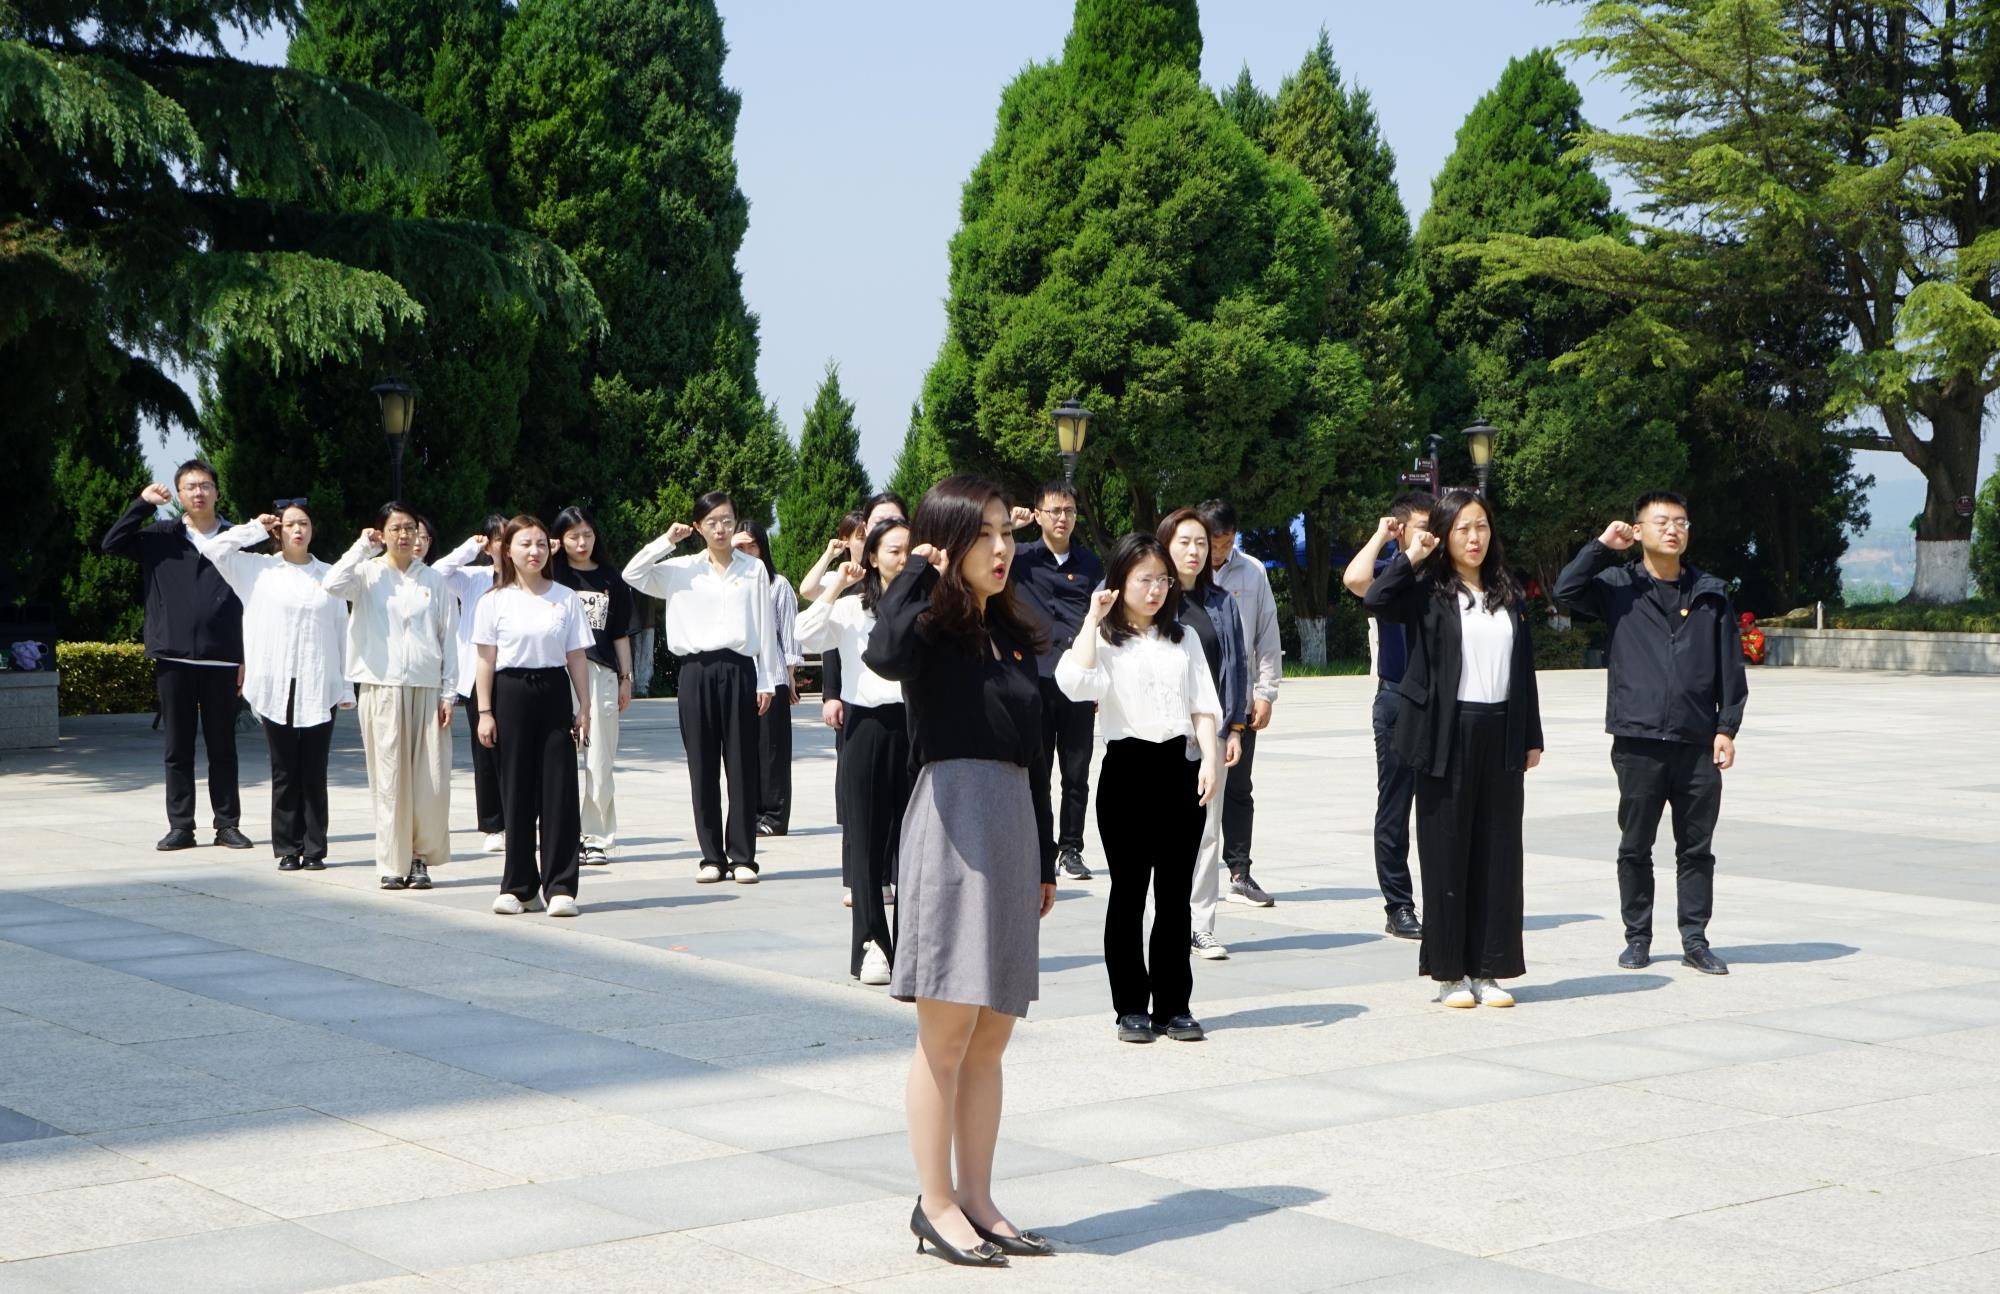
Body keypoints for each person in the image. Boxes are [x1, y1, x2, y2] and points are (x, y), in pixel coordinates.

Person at [864, 475, 1055, 1268]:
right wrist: (916, 568)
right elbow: (882, 653)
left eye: (1009, 532)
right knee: (945, 1036)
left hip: (1011, 824)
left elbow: (1036, 751)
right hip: (950, 822)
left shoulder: (1012, 629)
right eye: (985, 534)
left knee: (991, 1036)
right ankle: (934, 1203)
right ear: (950, 542)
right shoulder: (929, 627)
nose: (1004, 548)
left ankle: (977, 1197)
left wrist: (1044, 850)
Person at [1554, 491, 1748, 977]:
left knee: (1696, 848)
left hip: (1697, 741)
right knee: (1635, 845)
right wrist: (1602, 545)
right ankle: (1637, 938)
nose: (1673, 529)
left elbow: (1730, 664)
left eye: (1681, 521)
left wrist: (1727, 727)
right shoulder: (1618, 587)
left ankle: (1695, 939)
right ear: (1638, 531)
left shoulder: (1711, 592)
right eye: (1661, 521)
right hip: (1638, 739)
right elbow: (1564, 590)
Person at [1364, 489, 1543, 1008]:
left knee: (1499, 852)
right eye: (1463, 528)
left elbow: (1523, 672)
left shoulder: (1508, 592)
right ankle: (1448, 974)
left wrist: (1531, 735)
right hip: (1445, 731)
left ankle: (1489, 970)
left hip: (1501, 730)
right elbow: (1375, 599)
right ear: (1445, 534)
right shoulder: (1427, 589)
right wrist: (1412, 555)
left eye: (1482, 526)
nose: (1474, 537)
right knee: (1446, 851)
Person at [1057, 534, 1221, 1043]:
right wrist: (1091, 618)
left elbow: (1204, 704)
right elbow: (1073, 683)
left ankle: (1174, 1005)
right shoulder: (1104, 640)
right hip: (1127, 772)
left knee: (1175, 896)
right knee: (1128, 893)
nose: (1155, 590)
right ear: (1120, 582)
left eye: (1162, 580)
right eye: (1144, 579)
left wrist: (1211, 760)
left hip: (1180, 768)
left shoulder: (1183, 637)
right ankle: (1131, 1005)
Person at [623, 493, 782, 883]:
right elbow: (632, 574)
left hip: (741, 668)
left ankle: (743, 857)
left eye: (727, 520)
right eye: (711, 522)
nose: (721, 529)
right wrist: (666, 541)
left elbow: (765, 626)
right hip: (695, 672)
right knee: (703, 767)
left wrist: (768, 679)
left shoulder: (754, 569)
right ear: (698, 527)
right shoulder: (681, 569)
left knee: (743, 765)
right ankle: (712, 857)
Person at [186, 502, 352, 872]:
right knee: (284, 770)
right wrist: (255, 528)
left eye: (304, 523)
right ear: (278, 531)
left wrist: (346, 687)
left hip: (318, 682)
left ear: (313, 529)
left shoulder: (329, 576)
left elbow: (344, 631)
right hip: (275, 684)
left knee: (314, 769)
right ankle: (287, 848)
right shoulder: (257, 569)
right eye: (290, 524)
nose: (298, 530)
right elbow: (214, 550)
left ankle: (314, 849)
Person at [102, 461, 251, 851]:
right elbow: (112, 543)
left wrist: (247, 655)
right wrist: (142, 504)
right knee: (177, 747)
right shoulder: (161, 537)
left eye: (205, 485)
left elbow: (258, 599)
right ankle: (181, 826)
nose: (198, 492)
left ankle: (228, 824)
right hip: (174, 658)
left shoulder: (239, 538)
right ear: (179, 495)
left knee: (223, 747)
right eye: (189, 487)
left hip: (223, 658)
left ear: (217, 491)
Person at [798, 517, 914, 987]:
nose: (903, 559)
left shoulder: (924, 605)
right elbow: (805, 636)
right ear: (871, 557)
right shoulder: (850, 609)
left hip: (913, 726)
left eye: (909, 550)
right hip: (864, 727)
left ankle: (912, 945)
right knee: (866, 843)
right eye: (893, 551)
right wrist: (835, 588)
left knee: (913, 844)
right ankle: (871, 944)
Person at [324, 502, 459, 892]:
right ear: (382, 533)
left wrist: (449, 691)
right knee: (389, 778)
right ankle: (390, 862)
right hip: (381, 688)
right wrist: (360, 548)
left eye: (411, 528)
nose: (405, 535)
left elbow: (448, 637)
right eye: (396, 528)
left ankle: (419, 859)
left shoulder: (432, 580)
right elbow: (331, 585)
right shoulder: (365, 574)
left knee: (428, 781)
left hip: (427, 688)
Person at [474, 516, 594, 917]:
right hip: (511, 696)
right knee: (517, 792)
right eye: (525, 544)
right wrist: (485, 712)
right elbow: (485, 661)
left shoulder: (566, 597)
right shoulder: (493, 600)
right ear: (507, 549)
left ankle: (560, 887)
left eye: (541, 544)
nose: (534, 551)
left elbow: (576, 656)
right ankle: (519, 887)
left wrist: (585, 707)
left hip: (553, 692)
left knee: (559, 791)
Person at [1341, 491, 1437, 939]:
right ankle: (1398, 905)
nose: (1432, 534)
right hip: (1397, 697)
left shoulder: (1444, 575)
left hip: (1443, 702)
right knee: (1396, 806)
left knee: (1443, 806)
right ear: (1402, 530)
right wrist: (1383, 536)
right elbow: (1355, 580)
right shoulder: (1388, 574)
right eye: (1422, 527)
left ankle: (1446, 900)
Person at [1158, 507, 1248, 962]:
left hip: (1209, 732)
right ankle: (1164, 921)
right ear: (1165, 545)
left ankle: (1201, 926)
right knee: (1162, 834)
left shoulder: (1221, 602)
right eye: (1184, 543)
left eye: (1200, 543)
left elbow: (1237, 666)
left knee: (1207, 831)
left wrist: (1235, 728)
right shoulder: (1151, 598)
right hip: (1159, 733)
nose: (1194, 552)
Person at [1009, 480, 1105, 882]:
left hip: (1077, 682)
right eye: (1054, 511)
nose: (1062, 518)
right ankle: (1040, 849)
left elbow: (1102, 624)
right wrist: (1007, 528)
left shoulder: (1091, 564)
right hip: (1034, 681)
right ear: (1038, 514)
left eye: (1068, 511)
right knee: (1038, 769)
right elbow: (979, 557)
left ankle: (1071, 849)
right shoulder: (1021, 558)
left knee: (1077, 772)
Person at [1199, 499, 1282, 907]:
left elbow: (1266, 636)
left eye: (1225, 542)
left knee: (1238, 788)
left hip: (1239, 700)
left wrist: (1266, 693)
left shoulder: (1252, 571)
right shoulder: (1183, 572)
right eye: (1212, 542)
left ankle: (1239, 872)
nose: (1216, 553)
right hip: (1193, 701)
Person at [551, 506, 637, 864]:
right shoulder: (550, 576)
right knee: (559, 758)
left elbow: (619, 634)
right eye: (573, 536)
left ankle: (597, 837)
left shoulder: (610, 579)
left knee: (599, 757)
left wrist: (626, 678)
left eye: (587, 534)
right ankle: (561, 833)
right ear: (560, 539)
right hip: (558, 673)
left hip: (601, 672)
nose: (582, 542)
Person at [434, 516, 510, 853]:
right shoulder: (474, 579)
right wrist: (469, 547)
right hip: (479, 676)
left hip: (516, 674)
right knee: (485, 751)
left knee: (518, 751)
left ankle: (522, 817)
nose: (503, 546)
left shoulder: (529, 579)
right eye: (497, 539)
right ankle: (494, 825)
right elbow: (438, 574)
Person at [733, 522, 802, 838]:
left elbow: (789, 635)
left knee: (771, 751)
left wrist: (789, 678)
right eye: (740, 547)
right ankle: (750, 812)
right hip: (737, 678)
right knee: (743, 750)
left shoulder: (778, 585)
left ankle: (774, 816)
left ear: (763, 548)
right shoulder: (727, 585)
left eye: (752, 546)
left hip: (771, 678)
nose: (746, 553)